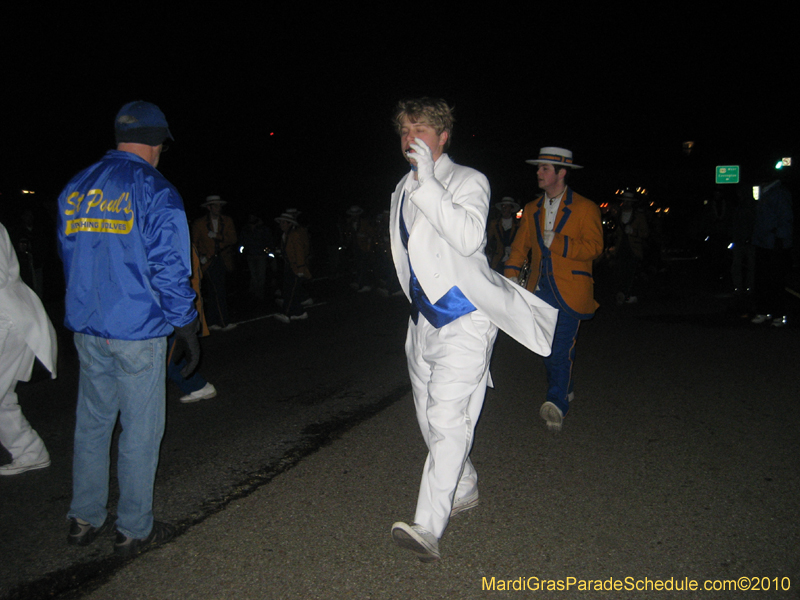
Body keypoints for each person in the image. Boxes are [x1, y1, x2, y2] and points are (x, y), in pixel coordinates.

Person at [387, 98, 558, 562]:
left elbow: (466, 238)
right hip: (422, 320)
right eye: (404, 131)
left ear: (443, 137)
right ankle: (462, 483)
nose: (410, 139)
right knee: (428, 417)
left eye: (421, 130)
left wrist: (428, 183)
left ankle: (428, 525)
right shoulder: (400, 188)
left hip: (465, 318)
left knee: (447, 418)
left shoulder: (468, 180)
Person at [56, 101, 200, 555]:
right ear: (157, 143)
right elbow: (169, 267)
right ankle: (134, 528)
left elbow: (69, 255)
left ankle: (83, 517)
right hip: (137, 330)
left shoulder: (77, 186)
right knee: (140, 430)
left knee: (93, 424)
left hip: (88, 328)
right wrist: (186, 322)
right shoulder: (155, 190)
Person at [505, 147, 604, 432]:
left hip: (571, 289)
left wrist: (560, 243)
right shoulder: (532, 208)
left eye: (544, 168)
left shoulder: (585, 207)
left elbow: (595, 247)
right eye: (539, 168)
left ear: (561, 173)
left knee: (561, 347)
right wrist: (511, 275)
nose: (538, 172)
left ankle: (556, 403)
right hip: (540, 288)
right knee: (546, 349)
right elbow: (520, 246)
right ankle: (565, 386)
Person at [0, 222, 57, 476]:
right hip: (11, 315)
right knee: (3, 395)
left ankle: (30, 452)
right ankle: (30, 451)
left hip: (7, 318)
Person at [750, 179, 793, 327]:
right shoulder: (766, 192)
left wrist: (779, 239)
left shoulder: (779, 193)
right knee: (762, 281)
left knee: (775, 281)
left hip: (773, 244)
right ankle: (764, 311)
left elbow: (786, 218)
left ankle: (778, 315)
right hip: (763, 243)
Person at [192, 195, 237, 331]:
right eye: (215, 206)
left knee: (214, 291)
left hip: (223, 259)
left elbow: (233, 239)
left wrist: (217, 236)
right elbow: (194, 243)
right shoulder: (199, 223)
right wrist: (200, 257)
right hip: (209, 261)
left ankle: (212, 322)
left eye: (219, 205)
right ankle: (224, 322)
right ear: (209, 207)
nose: (219, 208)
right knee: (218, 290)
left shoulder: (227, 220)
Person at [612, 191, 649, 304]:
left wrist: (633, 232)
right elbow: (616, 231)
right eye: (625, 201)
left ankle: (630, 295)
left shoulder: (639, 216)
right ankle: (622, 295)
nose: (626, 203)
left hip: (633, 249)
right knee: (621, 272)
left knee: (632, 273)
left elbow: (646, 233)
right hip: (621, 247)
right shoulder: (618, 215)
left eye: (628, 201)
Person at [274, 212, 311, 323]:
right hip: (289, 266)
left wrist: (300, 268)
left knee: (291, 291)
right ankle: (299, 312)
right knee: (289, 290)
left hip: (295, 267)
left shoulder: (294, 235)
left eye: (283, 222)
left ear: (289, 224)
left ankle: (286, 314)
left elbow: (299, 252)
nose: (281, 224)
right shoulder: (286, 235)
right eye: (280, 222)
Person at [486, 197, 521, 272]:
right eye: (502, 206)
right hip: (497, 260)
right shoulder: (494, 224)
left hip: (513, 260)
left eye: (506, 206)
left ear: (511, 209)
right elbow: (488, 239)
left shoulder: (518, 225)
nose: (504, 208)